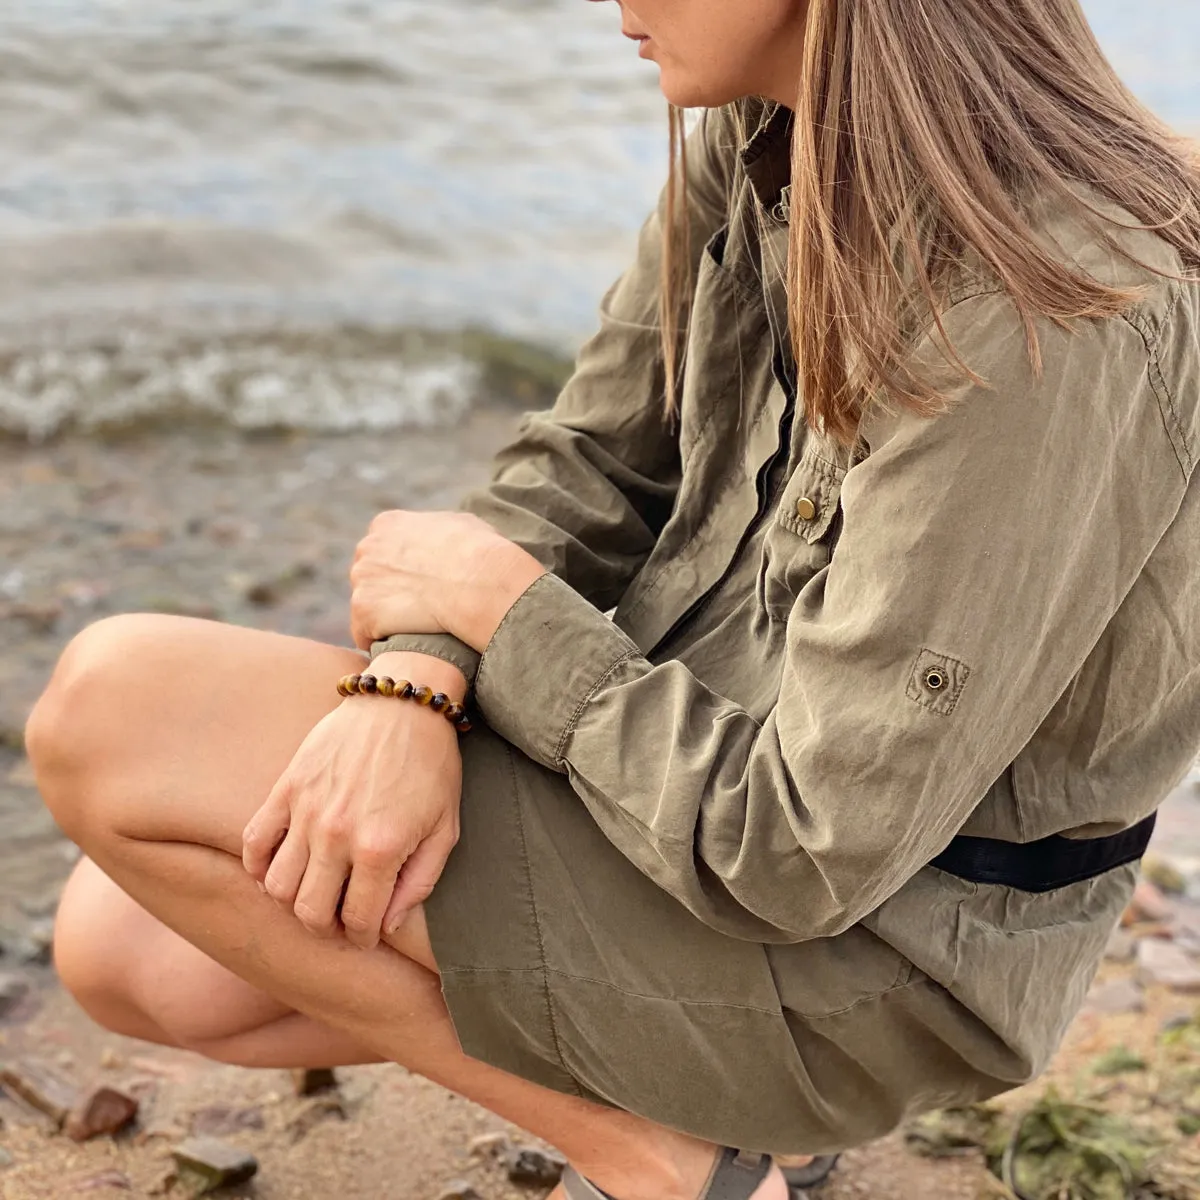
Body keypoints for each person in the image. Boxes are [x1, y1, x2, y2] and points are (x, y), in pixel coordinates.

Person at [25, 1, 1200, 1197]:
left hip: (874, 959)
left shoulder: (1043, 307)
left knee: (113, 708)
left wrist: (502, 613)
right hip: (685, 807)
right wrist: (413, 684)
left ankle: (657, 1153)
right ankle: (681, 1134)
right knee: (128, 950)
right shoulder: (766, 132)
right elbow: (590, 461)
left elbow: (802, 849)